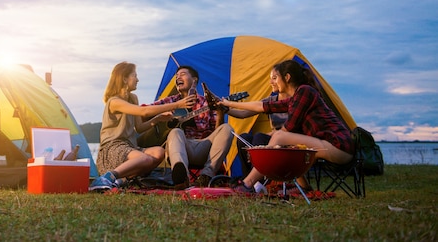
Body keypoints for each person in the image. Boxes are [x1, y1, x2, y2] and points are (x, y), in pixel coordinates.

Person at [219, 59, 354, 194]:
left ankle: (247, 184)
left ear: (287, 77)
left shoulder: (305, 91)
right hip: (327, 145)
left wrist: (267, 147)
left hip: (338, 147)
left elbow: (287, 129)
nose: (272, 82)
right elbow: (262, 106)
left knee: (280, 136)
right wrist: (229, 104)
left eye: (275, 78)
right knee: (288, 145)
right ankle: (304, 188)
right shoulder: (296, 97)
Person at [90, 62, 196, 191]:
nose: (137, 79)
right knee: (145, 158)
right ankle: (107, 177)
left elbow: (139, 128)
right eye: (134, 76)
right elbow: (143, 112)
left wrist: (158, 119)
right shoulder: (114, 101)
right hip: (112, 149)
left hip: (129, 147)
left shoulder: (133, 98)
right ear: (124, 79)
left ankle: (122, 180)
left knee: (159, 152)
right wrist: (177, 104)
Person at [152, 66, 234, 188]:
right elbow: (145, 111)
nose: (178, 77)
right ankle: (182, 176)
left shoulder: (206, 103)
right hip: (181, 148)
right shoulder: (170, 101)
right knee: (175, 131)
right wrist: (161, 115)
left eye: (183, 74)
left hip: (203, 147)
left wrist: (220, 112)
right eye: (176, 76)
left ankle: (206, 176)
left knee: (227, 129)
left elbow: (217, 132)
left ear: (194, 80)